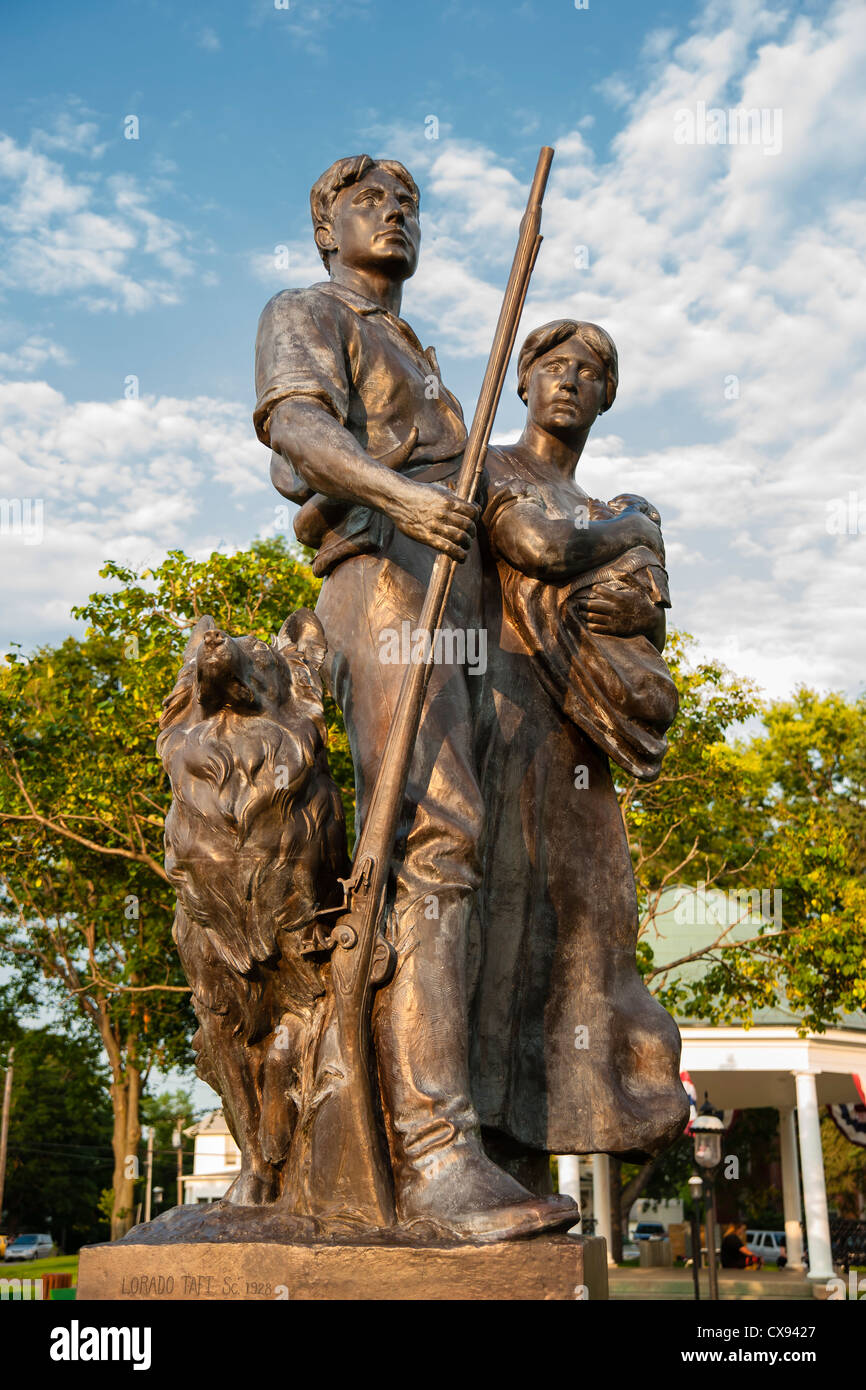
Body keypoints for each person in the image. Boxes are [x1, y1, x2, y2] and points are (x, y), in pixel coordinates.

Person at [255, 156, 576, 1240]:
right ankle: (435, 1158)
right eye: (364, 202)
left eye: (406, 204)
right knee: (431, 832)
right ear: (323, 228)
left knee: (465, 849)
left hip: (457, 593)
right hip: (384, 571)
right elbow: (299, 433)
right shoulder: (307, 309)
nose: (391, 215)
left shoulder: (423, 355)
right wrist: (403, 495)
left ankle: (457, 1134)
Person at [470, 318, 690, 1189]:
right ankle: (475, 1127)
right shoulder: (487, 467)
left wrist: (633, 569)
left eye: (589, 370)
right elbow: (540, 546)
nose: (568, 380)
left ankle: (558, 1118)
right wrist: (633, 530)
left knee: (589, 926)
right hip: (496, 713)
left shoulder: (609, 502)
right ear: (524, 382)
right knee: (495, 914)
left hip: (580, 738)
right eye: (553, 365)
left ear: (607, 394)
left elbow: (652, 614)